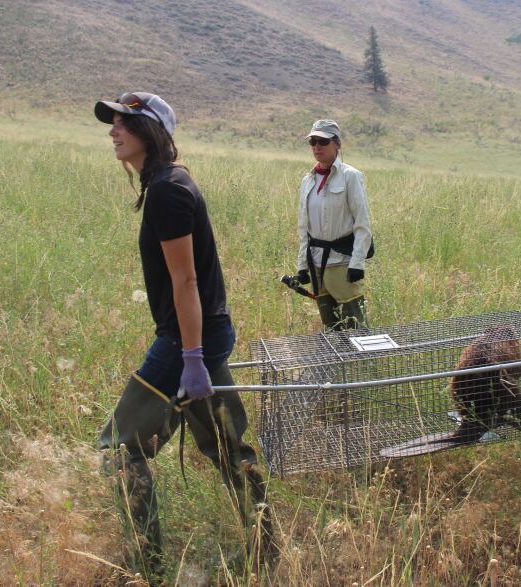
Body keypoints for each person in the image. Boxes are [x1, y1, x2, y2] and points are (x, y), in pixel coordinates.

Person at [93, 92, 272, 578]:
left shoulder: (168, 191)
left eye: (123, 124)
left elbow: (186, 281)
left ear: (149, 132)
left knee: (120, 449)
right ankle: (267, 550)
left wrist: (190, 356)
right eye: (112, 123)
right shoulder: (168, 182)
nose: (112, 130)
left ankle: (148, 567)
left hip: (186, 340)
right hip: (203, 334)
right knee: (226, 446)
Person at [293, 119, 374, 331]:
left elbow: (362, 224)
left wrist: (357, 263)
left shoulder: (351, 176)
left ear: (337, 144)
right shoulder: (307, 180)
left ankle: (360, 364)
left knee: (355, 326)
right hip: (317, 263)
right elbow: (304, 228)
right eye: (313, 141)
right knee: (331, 327)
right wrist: (302, 265)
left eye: (323, 141)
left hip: (343, 262)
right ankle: (337, 365)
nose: (317, 146)